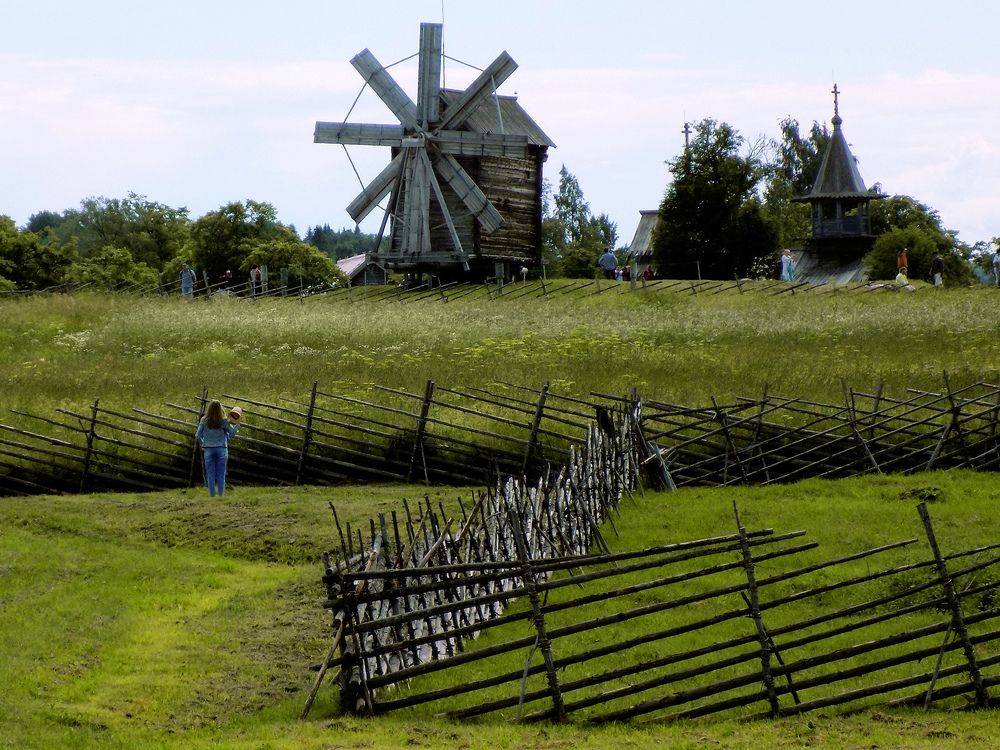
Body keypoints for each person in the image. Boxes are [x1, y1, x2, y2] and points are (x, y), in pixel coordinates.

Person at [195, 400, 242, 497]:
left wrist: (203, 443)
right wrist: (237, 426)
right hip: (221, 449)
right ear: (220, 408)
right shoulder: (223, 420)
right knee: (221, 474)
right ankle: (221, 496)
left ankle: (212, 496)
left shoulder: (204, 420)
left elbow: (197, 435)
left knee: (210, 474)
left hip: (208, 449)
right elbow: (231, 433)